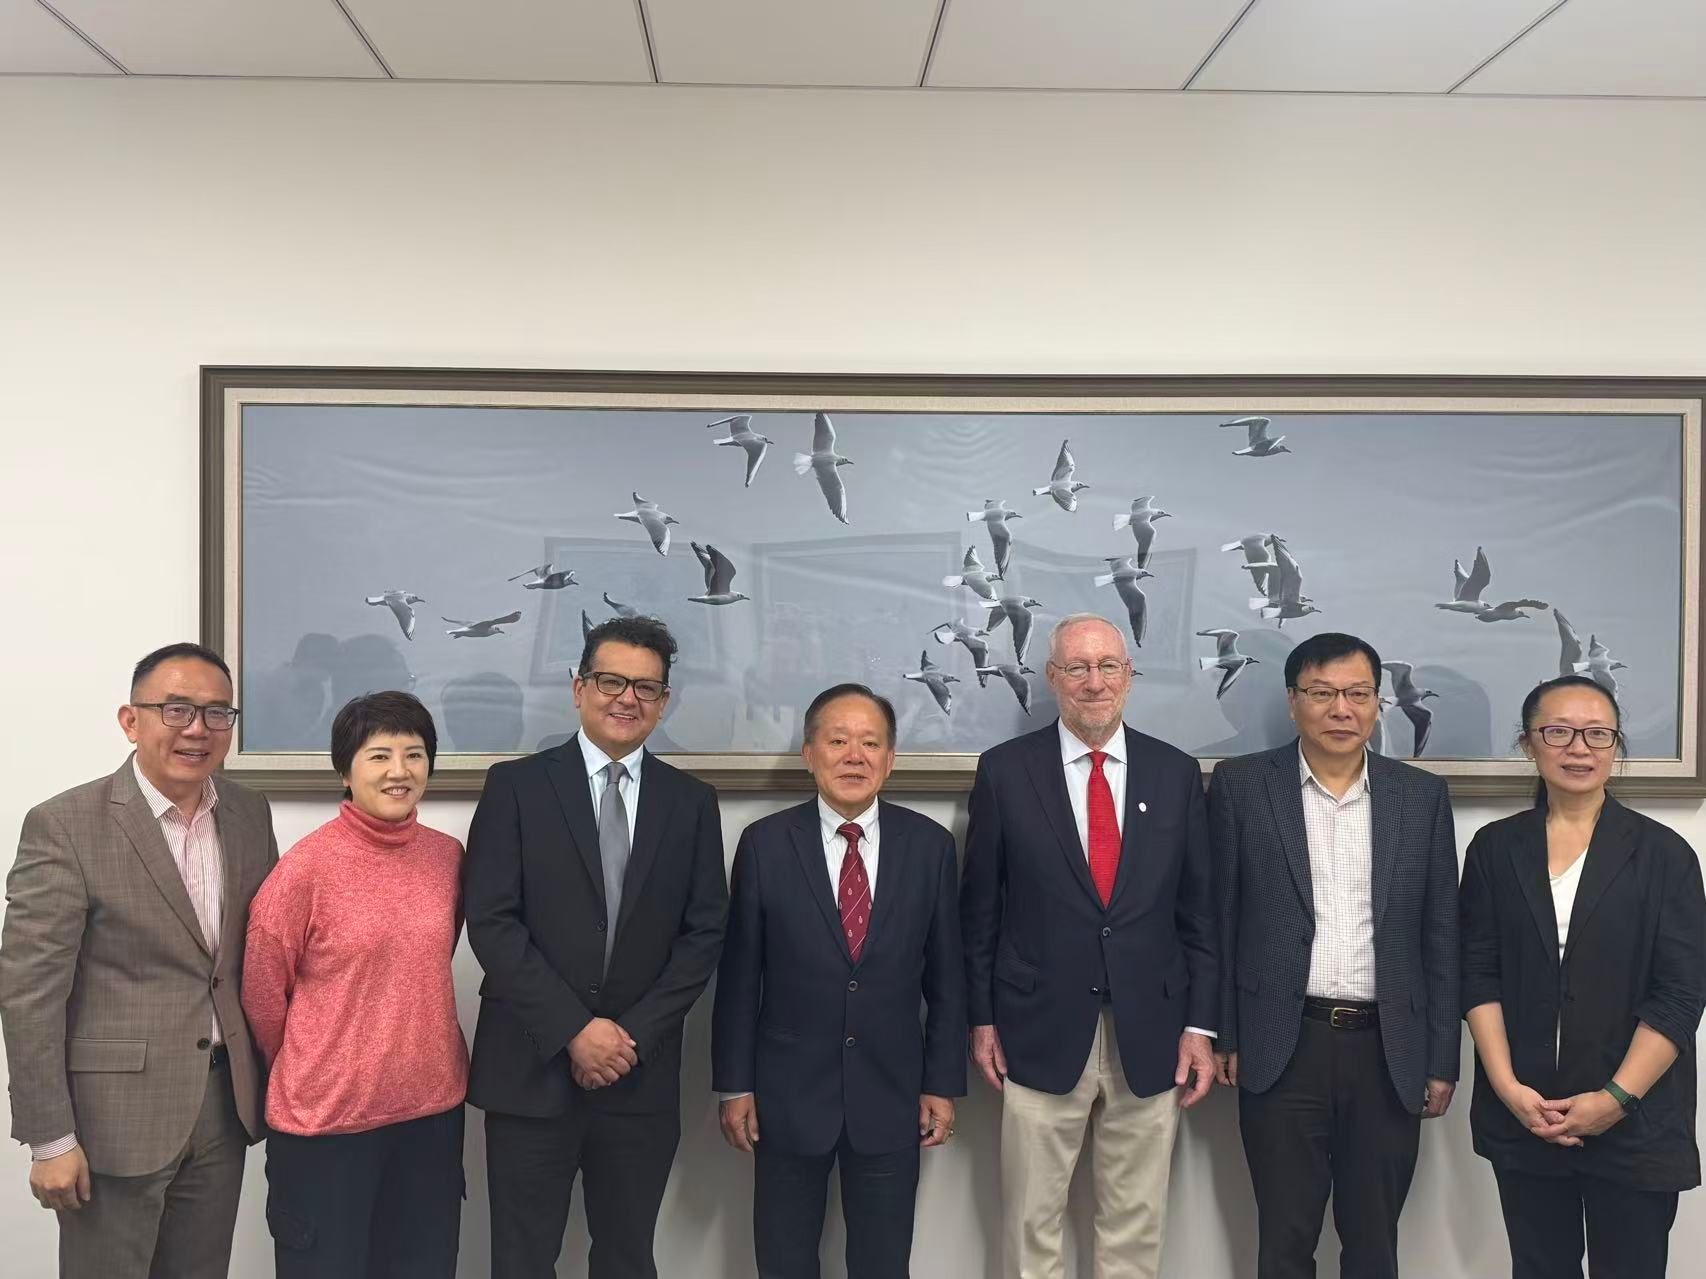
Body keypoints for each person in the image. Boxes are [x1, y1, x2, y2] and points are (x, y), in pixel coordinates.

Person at [0, 642, 278, 1279]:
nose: (197, 730)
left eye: (217, 714)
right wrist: (51, 1137)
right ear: (131, 721)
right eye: (176, 710)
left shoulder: (247, 813)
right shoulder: (65, 824)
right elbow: (28, 992)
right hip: (109, 1120)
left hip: (222, 1104)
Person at [463, 615, 728, 1279]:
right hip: (530, 1066)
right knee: (522, 1259)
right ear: (578, 686)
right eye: (611, 680)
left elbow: (703, 936)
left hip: (638, 1076)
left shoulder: (691, 802)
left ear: (664, 701)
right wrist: (575, 1030)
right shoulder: (515, 787)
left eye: (645, 686)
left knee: (627, 1255)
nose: (626, 697)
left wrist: (625, 1037)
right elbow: (492, 921)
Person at [961, 613, 1217, 1279]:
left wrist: (1200, 1025)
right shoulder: (1005, 771)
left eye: (1109, 666)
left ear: (1129, 675)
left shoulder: (1176, 773)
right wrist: (982, 1016)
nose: (1094, 681)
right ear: (1053, 678)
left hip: (1154, 1031)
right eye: (1077, 667)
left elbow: (1200, 914)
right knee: (1029, 1220)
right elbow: (981, 909)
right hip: (1034, 1025)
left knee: (1135, 1224)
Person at [1208, 631, 1459, 1279]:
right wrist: (1226, 1032)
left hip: (1388, 1049)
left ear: (1378, 703)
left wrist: (1440, 1056)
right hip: (1281, 1045)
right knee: (1283, 1241)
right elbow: (1218, 918)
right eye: (1322, 693)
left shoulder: (1421, 796)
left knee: (1374, 1245)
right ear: (1293, 702)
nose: (1340, 708)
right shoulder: (1242, 787)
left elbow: (1439, 936)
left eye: (1357, 693)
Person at [712, 684, 967, 1279]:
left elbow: (948, 979)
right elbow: (739, 976)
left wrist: (941, 1083)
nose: (855, 755)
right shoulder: (766, 844)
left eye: (871, 742)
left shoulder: (929, 846)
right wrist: (734, 1085)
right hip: (785, 1096)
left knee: (882, 1262)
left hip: (892, 1094)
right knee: (783, 1258)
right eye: (838, 740)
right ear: (809, 753)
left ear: (890, 758)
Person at [1460, 674, 1704, 1278]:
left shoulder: (1664, 854)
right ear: (1528, 744)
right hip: (1527, 1114)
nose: (1579, 748)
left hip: (1637, 1119)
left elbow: (1680, 993)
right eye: (1559, 732)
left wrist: (1616, 1099)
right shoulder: (1495, 848)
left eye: (1598, 734)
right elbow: (1477, 974)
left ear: (1616, 746)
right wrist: (1508, 1089)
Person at [241, 691, 467, 1278]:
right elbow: (263, 996)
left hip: (431, 1114)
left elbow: (428, 962)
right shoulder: (304, 869)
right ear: (345, 770)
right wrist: (317, 1063)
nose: (400, 772)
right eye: (379, 756)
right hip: (326, 1124)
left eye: (415, 755)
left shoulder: (449, 860)